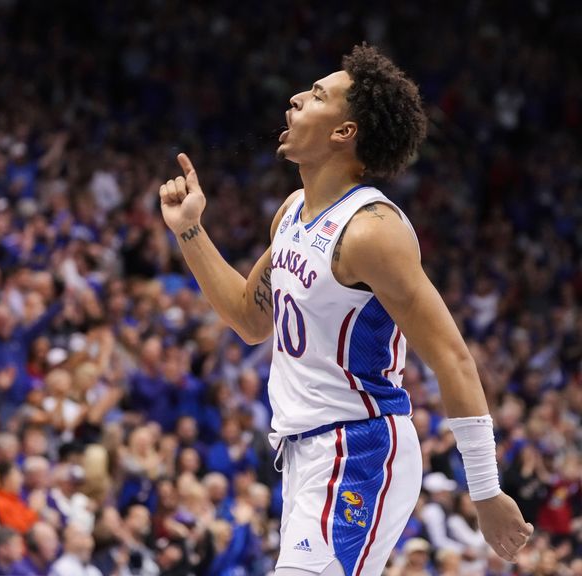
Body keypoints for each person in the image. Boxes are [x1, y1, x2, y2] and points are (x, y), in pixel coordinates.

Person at [158, 44, 531, 576]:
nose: (293, 99)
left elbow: (453, 358)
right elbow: (249, 319)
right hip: (305, 455)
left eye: (314, 96)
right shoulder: (291, 213)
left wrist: (486, 490)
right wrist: (190, 231)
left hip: (359, 449)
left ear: (343, 132)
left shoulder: (371, 230)